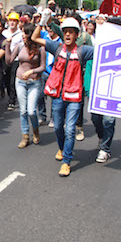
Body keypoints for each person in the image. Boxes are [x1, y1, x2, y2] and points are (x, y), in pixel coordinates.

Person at [31, 17, 94, 177]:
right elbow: (34, 38)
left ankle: (66, 161)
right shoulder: (56, 47)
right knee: (58, 127)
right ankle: (61, 148)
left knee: (70, 129)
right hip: (58, 96)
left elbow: (104, 52)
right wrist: (41, 22)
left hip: (74, 97)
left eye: (71, 32)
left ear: (76, 35)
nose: (67, 35)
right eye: (65, 32)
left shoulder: (83, 51)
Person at [5, 24, 46, 148]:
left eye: (25, 33)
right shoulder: (19, 46)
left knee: (32, 111)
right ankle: (25, 136)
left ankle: (35, 130)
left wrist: (31, 71)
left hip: (34, 82)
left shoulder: (41, 49)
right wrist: (7, 45)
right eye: (22, 33)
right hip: (20, 82)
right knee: (23, 111)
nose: (23, 35)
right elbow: (9, 61)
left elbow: (43, 67)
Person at [3, 12, 22, 111]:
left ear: (18, 22)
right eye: (11, 20)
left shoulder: (20, 34)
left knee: (12, 80)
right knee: (6, 80)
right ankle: (10, 95)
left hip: (16, 60)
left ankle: (12, 101)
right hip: (5, 59)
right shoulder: (4, 32)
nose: (12, 23)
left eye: (14, 21)